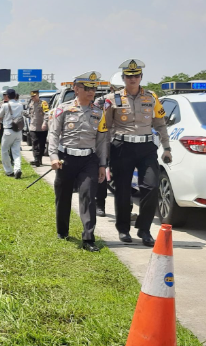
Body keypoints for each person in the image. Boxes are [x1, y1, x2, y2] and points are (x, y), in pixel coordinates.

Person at [103, 59, 172, 247]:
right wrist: (105, 152)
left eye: (136, 75)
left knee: (150, 187)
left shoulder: (151, 97)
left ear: (141, 77)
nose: (133, 79)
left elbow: (160, 124)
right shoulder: (112, 99)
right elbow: (106, 127)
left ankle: (144, 228)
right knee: (123, 191)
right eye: (129, 76)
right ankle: (123, 229)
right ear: (123, 78)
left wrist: (166, 148)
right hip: (121, 148)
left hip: (146, 148)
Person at [48, 71, 108, 253]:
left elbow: (102, 141)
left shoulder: (99, 113)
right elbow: (53, 134)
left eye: (93, 88)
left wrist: (102, 165)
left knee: (88, 196)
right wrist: (53, 157)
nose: (91, 91)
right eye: (86, 88)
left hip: (88, 160)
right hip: (66, 159)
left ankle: (89, 238)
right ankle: (62, 231)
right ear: (76, 89)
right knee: (63, 196)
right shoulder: (62, 109)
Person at [0, 89, 24, 178]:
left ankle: (9, 171)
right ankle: (17, 169)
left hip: (8, 130)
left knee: (4, 150)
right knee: (16, 151)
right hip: (18, 131)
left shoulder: (5, 105)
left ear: (7, 96)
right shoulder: (20, 105)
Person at [24, 90, 50, 167]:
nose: (33, 98)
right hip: (33, 127)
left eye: (34, 96)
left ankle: (39, 159)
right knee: (34, 142)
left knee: (41, 144)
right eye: (32, 96)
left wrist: (45, 123)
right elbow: (30, 114)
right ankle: (36, 159)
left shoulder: (43, 103)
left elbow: (47, 114)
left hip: (42, 127)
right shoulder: (31, 104)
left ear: (38, 95)